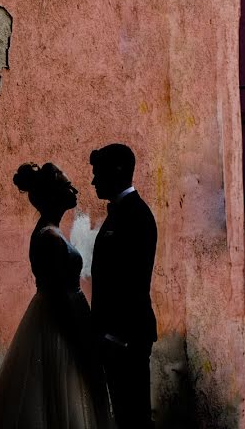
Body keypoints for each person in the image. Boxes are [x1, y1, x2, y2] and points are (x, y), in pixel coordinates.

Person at [0, 162, 113, 429]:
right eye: (66, 185)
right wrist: (83, 340)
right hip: (61, 327)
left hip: (59, 320)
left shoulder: (51, 231)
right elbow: (60, 297)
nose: (74, 189)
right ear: (53, 194)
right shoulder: (50, 238)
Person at [89, 144, 158, 429]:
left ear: (117, 172)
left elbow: (133, 282)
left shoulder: (136, 216)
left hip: (126, 339)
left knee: (134, 416)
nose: (93, 181)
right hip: (118, 338)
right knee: (126, 413)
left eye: (98, 174)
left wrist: (116, 336)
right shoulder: (122, 213)